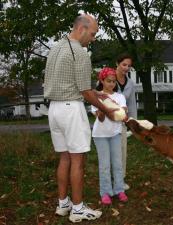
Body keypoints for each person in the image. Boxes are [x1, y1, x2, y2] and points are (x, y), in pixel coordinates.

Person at [44, 14, 115, 223]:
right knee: (78, 160)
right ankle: (77, 209)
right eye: (92, 34)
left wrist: (96, 92)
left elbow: (71, 82)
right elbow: (84, 92)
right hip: (71, 111)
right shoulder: (80, 53)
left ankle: (63, 204)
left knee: (64, 157)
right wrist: (107, 109)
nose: (93, 38)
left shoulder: (56, 48)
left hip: (54, 110)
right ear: (82, 29)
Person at [92, 67, 128, 205]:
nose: (112, 84)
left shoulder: (120, 97)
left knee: (118, 164)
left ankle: (119, 190)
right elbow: (100, 119)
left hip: (115, 134)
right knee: (105, 165)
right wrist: (104, 109)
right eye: (108, 81)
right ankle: (105, 192)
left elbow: (122, 116)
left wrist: (120, 113)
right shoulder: (96, 96)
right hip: (100, 135)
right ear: (102, 80)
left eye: (114, 81)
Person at [115, 53, 137, 190]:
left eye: (129, 66)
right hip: (107, 122)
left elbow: (132, 103)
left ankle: (120, 180)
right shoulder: (107, 78)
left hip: (122, 123)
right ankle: (109, 181)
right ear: (117, 63)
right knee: (110, 154)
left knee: (122, 152)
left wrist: (133, 122)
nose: (126, 68)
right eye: (124, 64)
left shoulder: (130, 83)